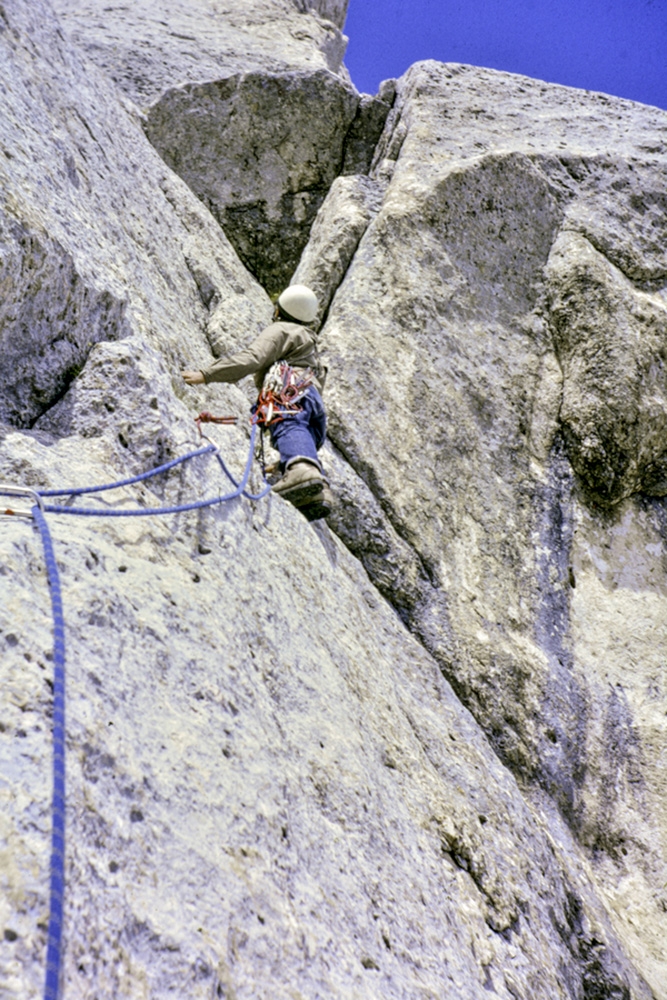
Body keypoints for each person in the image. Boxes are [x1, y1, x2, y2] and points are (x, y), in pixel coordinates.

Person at [182, 285, 332, 520]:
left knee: (287, 424)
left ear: (279, 310)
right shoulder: (310, 346)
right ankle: (314, 490)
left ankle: (302, 470)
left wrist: (207, 374)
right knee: (296, 428)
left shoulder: (281, 330)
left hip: (289, 392)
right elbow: (305, 417)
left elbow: (253, 358)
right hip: (312, 402)